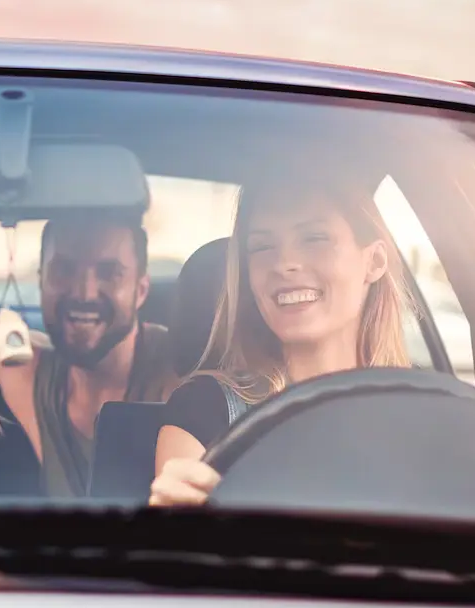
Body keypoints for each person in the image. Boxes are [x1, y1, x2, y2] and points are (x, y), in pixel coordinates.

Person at [150, 176, 413, 507]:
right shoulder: (205, 410)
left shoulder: (427, 404)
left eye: (314, 238)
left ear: (374, 261)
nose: (284, 263)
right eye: (262, 247)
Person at [0, 212, 177, 498]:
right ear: (41, 282)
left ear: (140, 290)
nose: (84, 293)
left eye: (109, 273)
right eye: (63, 270)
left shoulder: (181, 373)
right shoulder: (31, 373)